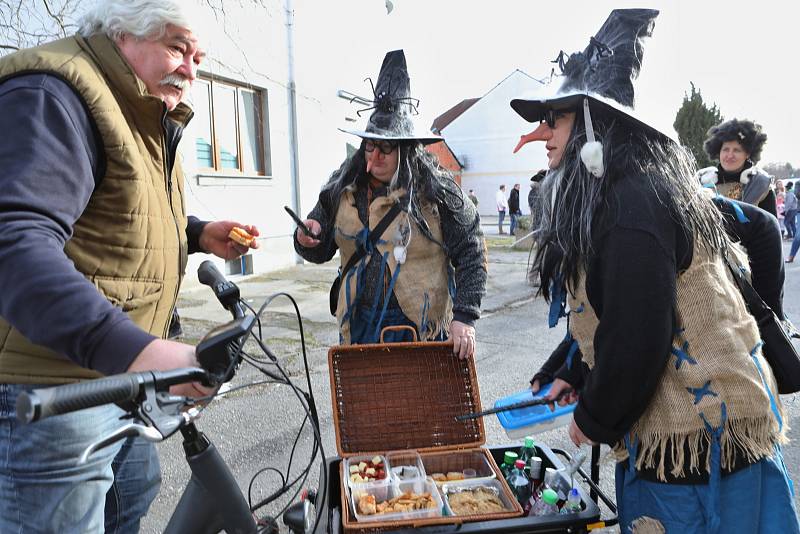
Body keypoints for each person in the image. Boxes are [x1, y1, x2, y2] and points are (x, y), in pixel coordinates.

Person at [511, 9, 797, 533]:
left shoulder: (629, 203)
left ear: (595, 126)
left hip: (701, 459)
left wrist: (593, 417)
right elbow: (616, 307)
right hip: (693, 456)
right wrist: (572, 371)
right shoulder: (621, 193)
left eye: (557, 119)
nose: (543, 133)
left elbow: (639, 335)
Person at [0, 1, 259, 532]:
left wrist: (196, 233)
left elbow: (112, 210)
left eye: (198, 56)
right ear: (122, 34)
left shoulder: (140, 109)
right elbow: (15, 243)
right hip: (55, 392)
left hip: (120, 381)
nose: (192, 70)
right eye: (177, 48)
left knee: (132, 498)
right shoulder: (55, 95)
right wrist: (140, 351)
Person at [293, 50, 486, 359]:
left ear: (407, 150)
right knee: (366, 408)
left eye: (386, 147)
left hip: (423, 329)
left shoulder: (437, 191)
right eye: (370, 145)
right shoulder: (341, 188)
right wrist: (307, 238)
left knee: (423, 407)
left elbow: (472, 251)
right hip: (358, 325)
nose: (375, 156)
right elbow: (318, 246)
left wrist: (465, 317)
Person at [697, 119, 777, 217]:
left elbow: (771, 229)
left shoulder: (760, 184)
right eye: (726, 149)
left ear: (747, 154)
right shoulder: (702, 183)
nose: (730, 155)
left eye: (737, 150)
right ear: (719, 152)